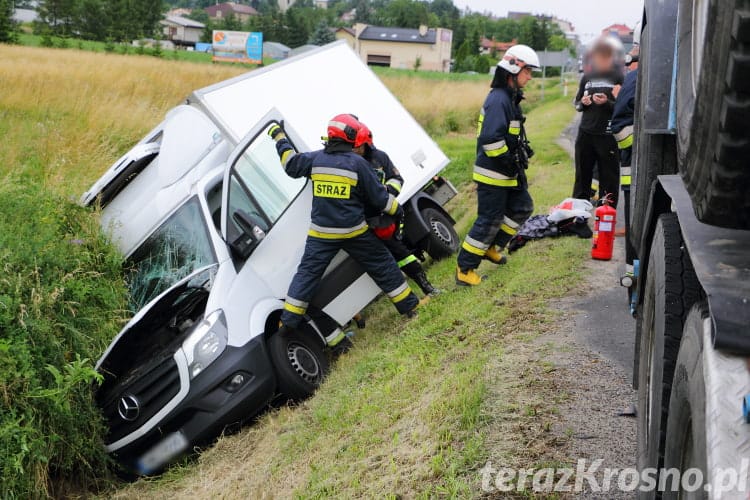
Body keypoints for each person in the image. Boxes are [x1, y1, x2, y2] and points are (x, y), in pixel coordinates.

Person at [269, 114, 420, 340]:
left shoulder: (315, 160)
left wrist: (279, 137)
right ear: (349, 137)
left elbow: (290, 164)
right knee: (382, 264)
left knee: (307, 274)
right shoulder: (358, 164)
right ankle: (410, 307)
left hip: (321, 234)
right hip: (354, 231)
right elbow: (380, 199)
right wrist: (396, 209)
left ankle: (287, 323)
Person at [456, 44, 539, 286]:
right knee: (488, 220)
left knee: (523, 207)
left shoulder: (510, 98)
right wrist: (509, 160)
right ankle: (465, 268)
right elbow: (491, 140)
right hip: (494, 174)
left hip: (508, 172)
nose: (530, 76)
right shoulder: (499, 100)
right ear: (513, 70)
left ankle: (492, 247)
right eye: (528, 71)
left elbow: (510, 135)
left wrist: (518, 155)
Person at [357, 125, 440, 296]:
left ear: (366, 142)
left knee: (401, 253)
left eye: (358, 145)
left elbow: (396, 178)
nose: (355, 149)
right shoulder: (348, 163)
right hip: (363, 223)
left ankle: (426, 287)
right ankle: (410, 298)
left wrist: (385, 193)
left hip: (383, 218)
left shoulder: (379, 157)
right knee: (386, 263)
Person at [572, 36, 625, 206]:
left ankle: (605, 217)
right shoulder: (587, 77)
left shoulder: (619, 78)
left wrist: (607, 103)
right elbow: (577, 103)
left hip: (607, 135)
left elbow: (624, 107)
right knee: (582, 177)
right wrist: (583, 103)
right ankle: (577, 217)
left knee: (608, 179)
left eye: (605, 57)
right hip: (585, 133)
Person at [611, 24, 640, 264]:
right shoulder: (634, 80)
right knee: (636, 225)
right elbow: (620, 125)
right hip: (635, 167)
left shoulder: (634, 79)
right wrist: (638, 143)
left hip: (638, 168)